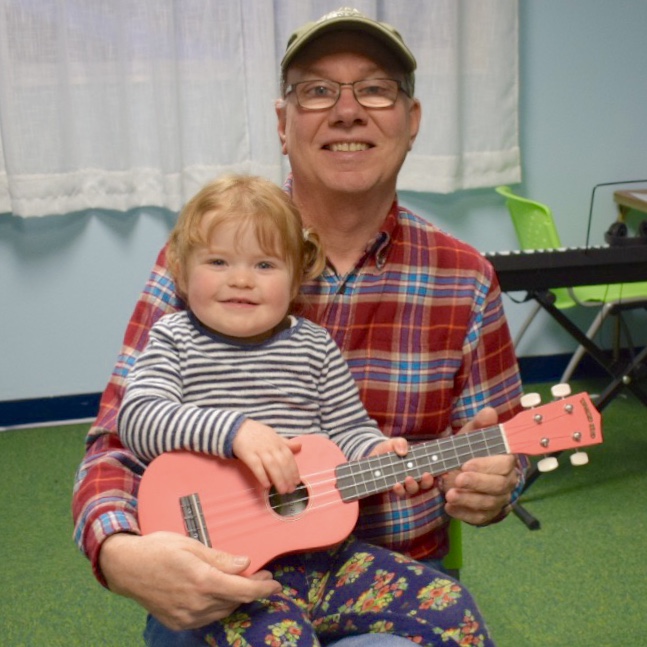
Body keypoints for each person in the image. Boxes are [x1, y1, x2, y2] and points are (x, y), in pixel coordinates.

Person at [73, 7, 526, 645]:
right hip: (225, 571)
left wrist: (496, 477)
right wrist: (119, 554)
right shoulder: (202, 260)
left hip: (370, 566)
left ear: (412, 120)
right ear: (283, 124)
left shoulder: (466, 276)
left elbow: (492, 445)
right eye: (317, 90)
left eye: (375, 88)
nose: (347, 111)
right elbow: (116, 438)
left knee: (454, 616)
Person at [117, 173, 496, 645]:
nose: (240, 279)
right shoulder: (174, 338)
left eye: (264, 264)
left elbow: (348, 427)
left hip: (328, 559)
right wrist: (235, 432)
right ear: (180, 269)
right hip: (230, 577)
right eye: (218, 261)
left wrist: (375, 452)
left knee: (450, 608)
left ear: (297, 277)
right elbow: (137, 415)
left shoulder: (314, 347)